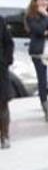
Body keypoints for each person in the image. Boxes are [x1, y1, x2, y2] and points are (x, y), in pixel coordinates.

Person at [0, 14, 13, 148]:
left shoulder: (1, 20)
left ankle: (4, 135)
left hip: (0, 68)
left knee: (2, 103)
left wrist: (6, 61)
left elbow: (8, 42)